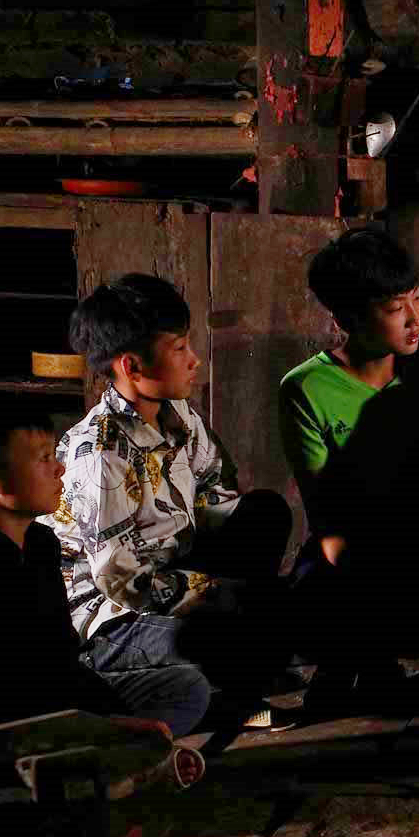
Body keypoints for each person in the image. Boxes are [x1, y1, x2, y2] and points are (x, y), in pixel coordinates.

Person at [45, 274, 294, 729]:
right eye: (179, 348)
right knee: (235, 637)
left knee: (264, 513)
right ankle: (227, 693)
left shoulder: (177, 414)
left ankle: (241, 656)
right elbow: (122, 581)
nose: (194, 359)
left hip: (175, 568)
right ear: (131, 366)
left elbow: (215, 488)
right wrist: (214, 593)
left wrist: (245, 592)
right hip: (113, 615)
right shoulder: (100, 454)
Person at [0, 392, 210, 738]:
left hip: (40, 701)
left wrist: (107, 713)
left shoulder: (40, 543)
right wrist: (107, 726)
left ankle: (111, 746)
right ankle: (107, 749)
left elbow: (63, 663)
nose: (60, 468)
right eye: (43, 458)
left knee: (187, 687)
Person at [280, 228, 419, 708]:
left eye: (416, 298)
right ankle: (359, 662)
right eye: (396, 308)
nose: (415, 318)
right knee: (324, 589)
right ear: (347, 319)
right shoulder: (306, 388)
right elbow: (327, 517)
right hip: (357, 551)